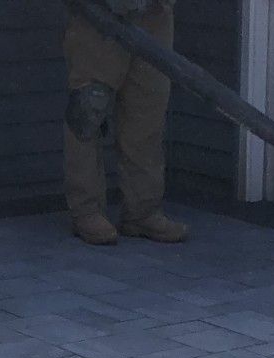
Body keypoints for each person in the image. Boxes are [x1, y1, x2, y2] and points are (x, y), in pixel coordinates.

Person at [63, 0, 189, 246]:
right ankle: (86, 211)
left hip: (155, 17)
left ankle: (143, 212)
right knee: (88, 114)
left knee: (146, 120)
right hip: (98, 18)